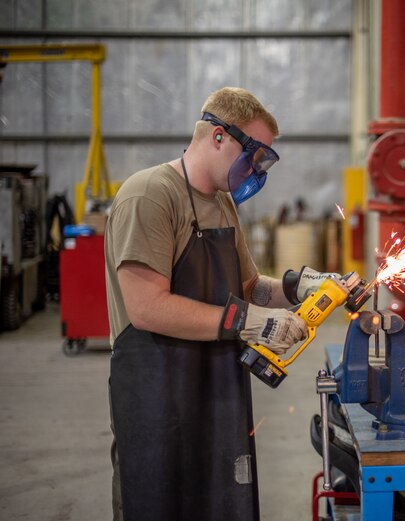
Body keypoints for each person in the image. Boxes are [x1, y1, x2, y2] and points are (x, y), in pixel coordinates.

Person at [104, 87, 334, 521]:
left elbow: (247, 287)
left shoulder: (223, 204)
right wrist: (253, 324)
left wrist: (303, 285)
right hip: (156, 392)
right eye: (256, 155)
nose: (258, 169)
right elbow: (147, 307)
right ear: (218, 137)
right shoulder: (150, 194)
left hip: (216, 389)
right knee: (158, 503)